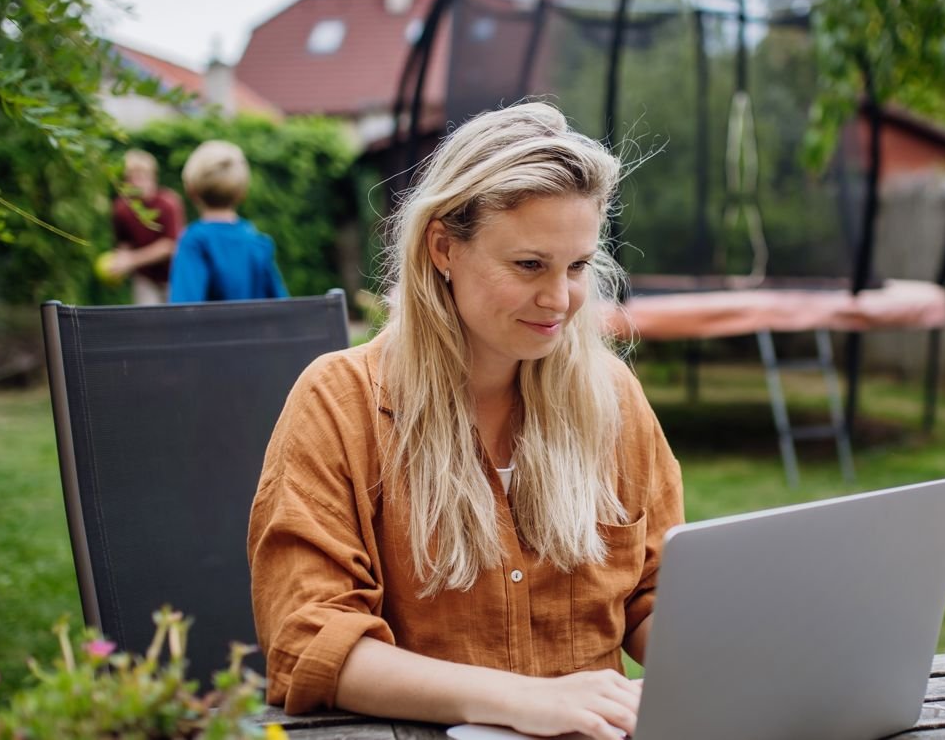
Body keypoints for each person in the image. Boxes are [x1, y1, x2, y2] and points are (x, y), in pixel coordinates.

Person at [247, 102, 684, 740]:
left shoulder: (612, 398)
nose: (559, 299)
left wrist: (727, 653)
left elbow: (653, 593)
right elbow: (309, 640)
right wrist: (525, 700)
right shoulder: (342, 403)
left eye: (577, 267)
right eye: (529, 265)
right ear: (443, 248)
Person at [168, 140, 288, 302]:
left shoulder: (194, 242)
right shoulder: (257, 242)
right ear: (242, 193)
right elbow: (282, 306)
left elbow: (184, 307)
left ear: (191, 191)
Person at [108, 149, 186, 304]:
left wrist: (132, 260)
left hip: (173, 275)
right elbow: (124, 243)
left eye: (143, 176)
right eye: (132, 178)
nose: (138, 182)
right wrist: (119, 262)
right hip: (145, 278)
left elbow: (170, 245)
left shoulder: (168, 203)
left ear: (153, 177)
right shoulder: (121, 208)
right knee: (147, 317)